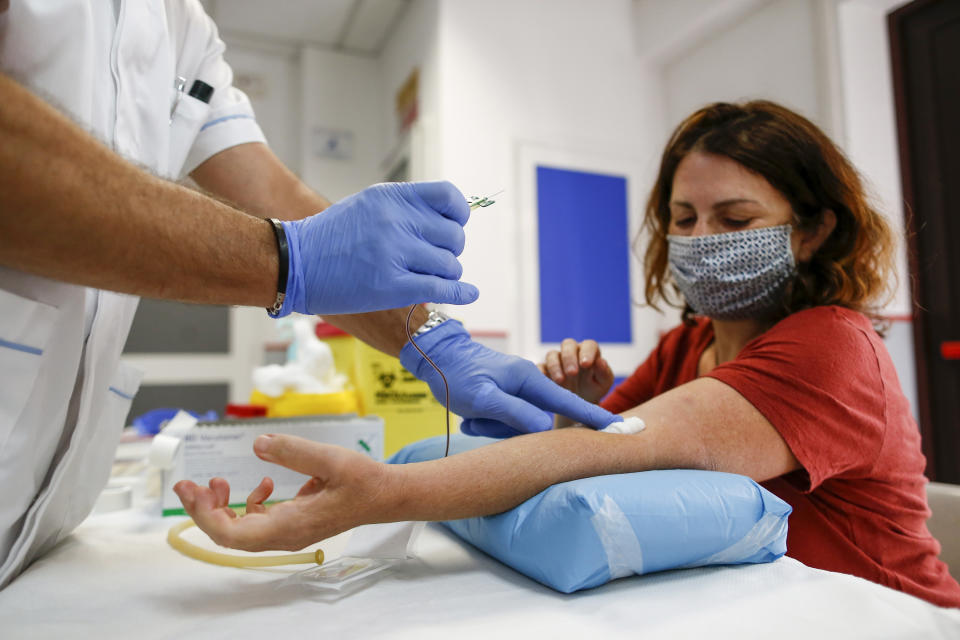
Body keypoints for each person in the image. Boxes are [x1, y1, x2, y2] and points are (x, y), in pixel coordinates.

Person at [176, 100, 960, 608]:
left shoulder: (831, 348)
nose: (698, 241)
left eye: (734, 218)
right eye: (682, 218)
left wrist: (379, 492)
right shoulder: (687, 345)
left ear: (812, 229)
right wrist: (560, 417)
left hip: (886, 617)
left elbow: (601, 458)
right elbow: (578, 455)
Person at [0, 0, 615, 589]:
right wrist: (289, 259)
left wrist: (436, 339)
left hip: (41, 525)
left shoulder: (182, 27)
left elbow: (267, 192)